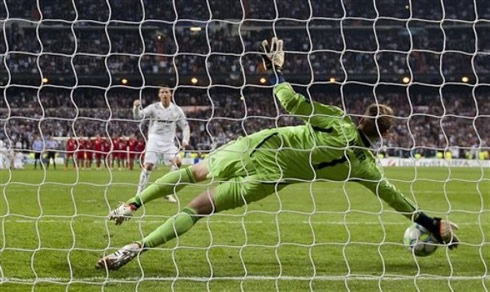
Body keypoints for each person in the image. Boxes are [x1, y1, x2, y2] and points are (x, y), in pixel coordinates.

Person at [96, 38, 460, 271]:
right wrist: (431, 223)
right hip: (267, 180)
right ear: (384, 135)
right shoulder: (366, 167)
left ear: (362, 116)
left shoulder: (336, 121)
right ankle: (137, 248)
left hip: (255, 149)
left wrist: (274, 70)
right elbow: (394, 198)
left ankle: (132, 205)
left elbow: (289, 101)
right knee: (195, 209)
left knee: (193, 172)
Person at [132, 86, 190, 203]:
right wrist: (136, 107)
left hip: (169, 142)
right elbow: (138, 117)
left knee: (178, 163)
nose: (164, 94)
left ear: (170, 94)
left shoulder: (176, 110)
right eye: (162, 92)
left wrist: (185, 139)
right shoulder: (154, 108)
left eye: (166, 92)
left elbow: (185, 125)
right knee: (148, 166)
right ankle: (139, 194)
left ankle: (167, 191)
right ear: (159, 95)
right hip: (154, 139)